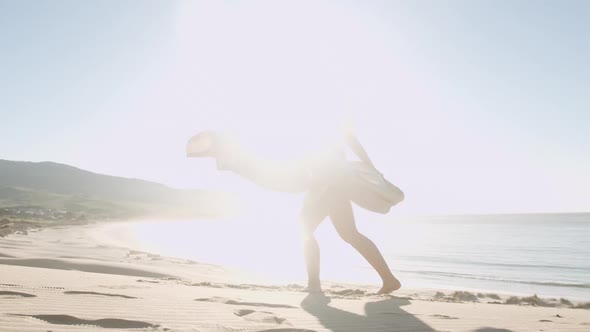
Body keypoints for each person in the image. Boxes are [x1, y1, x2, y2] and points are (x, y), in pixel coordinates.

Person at [186, 126, 404, 294]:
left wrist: (369, 167)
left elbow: (346, 141)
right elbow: (347, 140)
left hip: (327, 181)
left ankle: (315, 285)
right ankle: (388, 280)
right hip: (329, 181)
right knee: (348, 233)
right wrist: (369, 165)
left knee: (305, 229)